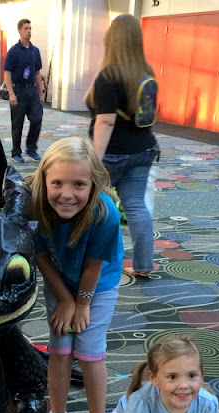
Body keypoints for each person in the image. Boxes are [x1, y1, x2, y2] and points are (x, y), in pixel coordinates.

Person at [28, 137, 123, 413]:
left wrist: (80, 304)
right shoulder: (34, 203)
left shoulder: (105, 214)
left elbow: (93, 267)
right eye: (57, 183)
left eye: (79, 184)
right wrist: (65, 300)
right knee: (61, 348)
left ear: (93, 184)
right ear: (44, 180)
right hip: (59, 279)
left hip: (97, 286)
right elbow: (40, 255)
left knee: (89, 351)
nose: (67, 194)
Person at [85, 14, 159, 277]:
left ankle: (84, 261)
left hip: (112, 154)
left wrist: (95, 162)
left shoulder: (109, 76)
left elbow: (106, 121)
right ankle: (143, 266)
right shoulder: (146, 74)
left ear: (112, 40)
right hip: (144, 150)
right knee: (137, 207)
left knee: (90, 206)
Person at [3, 19, 44, 163]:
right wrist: (11, 93)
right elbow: (7, 73)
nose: (29, 31)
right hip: (18, 91)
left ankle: (31, 149)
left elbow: (37, 73)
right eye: (26, 28)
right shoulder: (13, 52)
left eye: (30, 28)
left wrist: (41, 92)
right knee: (17, 123)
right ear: (19, 30)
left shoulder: (35, 51)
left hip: (32, 91)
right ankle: (16, 152)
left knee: (37, 119)